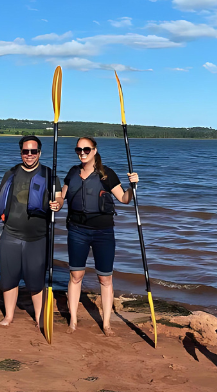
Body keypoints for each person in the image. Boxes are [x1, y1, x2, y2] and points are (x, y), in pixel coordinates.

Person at [54, 136, 138, 336]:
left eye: (86, 149)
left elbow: (125, 199)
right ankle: (73, 321)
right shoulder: (73, 173)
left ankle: (106, 323)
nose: (82, 153)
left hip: (103, 232)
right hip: (77, 230)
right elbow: (61, 196)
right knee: (76, 275)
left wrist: (132, 187)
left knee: (105, 278)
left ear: (94, 150)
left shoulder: (106, 174)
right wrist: (56, 205)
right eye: (78, 150)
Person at [0, 135, 62, 327]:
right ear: (21, 152)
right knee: (9, 277)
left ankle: (39, 317)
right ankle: (8, 316)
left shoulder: (49, 174)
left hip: (38, 237)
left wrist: (58, 204)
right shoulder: (11, 173)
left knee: (36, 280)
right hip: (11, 234)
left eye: (33, 151)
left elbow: (59, 196)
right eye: (25, 151)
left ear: (39, 153)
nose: (29, 155)